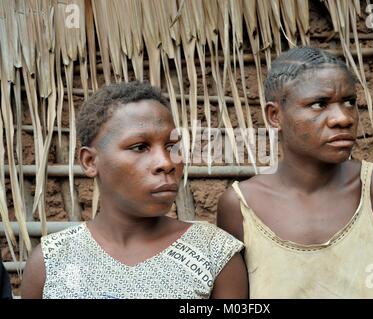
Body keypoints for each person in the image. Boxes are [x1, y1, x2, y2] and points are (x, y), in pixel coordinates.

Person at [217, 47, 373, 299]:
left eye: (350, 102)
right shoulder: (241, 206)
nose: (343, 118)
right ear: (275, 116)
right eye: (319, 104)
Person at [21, 81, 248, 299]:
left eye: (172, 146)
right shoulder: (51, 260)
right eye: (140, 147)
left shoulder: (214, 253)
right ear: (90, 161)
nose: (166, 162)